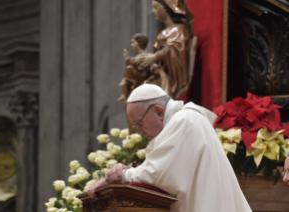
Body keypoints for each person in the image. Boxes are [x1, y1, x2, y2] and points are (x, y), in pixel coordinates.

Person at [88, 84, 252, 212]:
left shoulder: (184, 121)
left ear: (159, 111)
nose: (138, 132)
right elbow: (158, 169)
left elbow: (158, 174)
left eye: (139, 124)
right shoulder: (184, 120)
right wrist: (116, 175)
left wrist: (121, 175)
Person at [136, 0, 195, 99]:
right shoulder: (165, 32)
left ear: (167, 9)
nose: (152, 11)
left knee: (143, 94)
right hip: (161, 75)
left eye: (155, 7)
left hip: (171, 79)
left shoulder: (179, 30)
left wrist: (156, 57)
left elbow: (175, 49)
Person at [117, 34, 152, 102]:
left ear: (139, 43)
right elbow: (134, 61)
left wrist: (128, 59)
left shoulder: (144, 54)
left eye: (133, 42)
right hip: (139, 73)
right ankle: (125, 92)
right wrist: (128, 59)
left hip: (143, 74)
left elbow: (135, 62)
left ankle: (124, 93)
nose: (131, 45)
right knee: (129, 68)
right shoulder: (138, 55)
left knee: (129, 68)